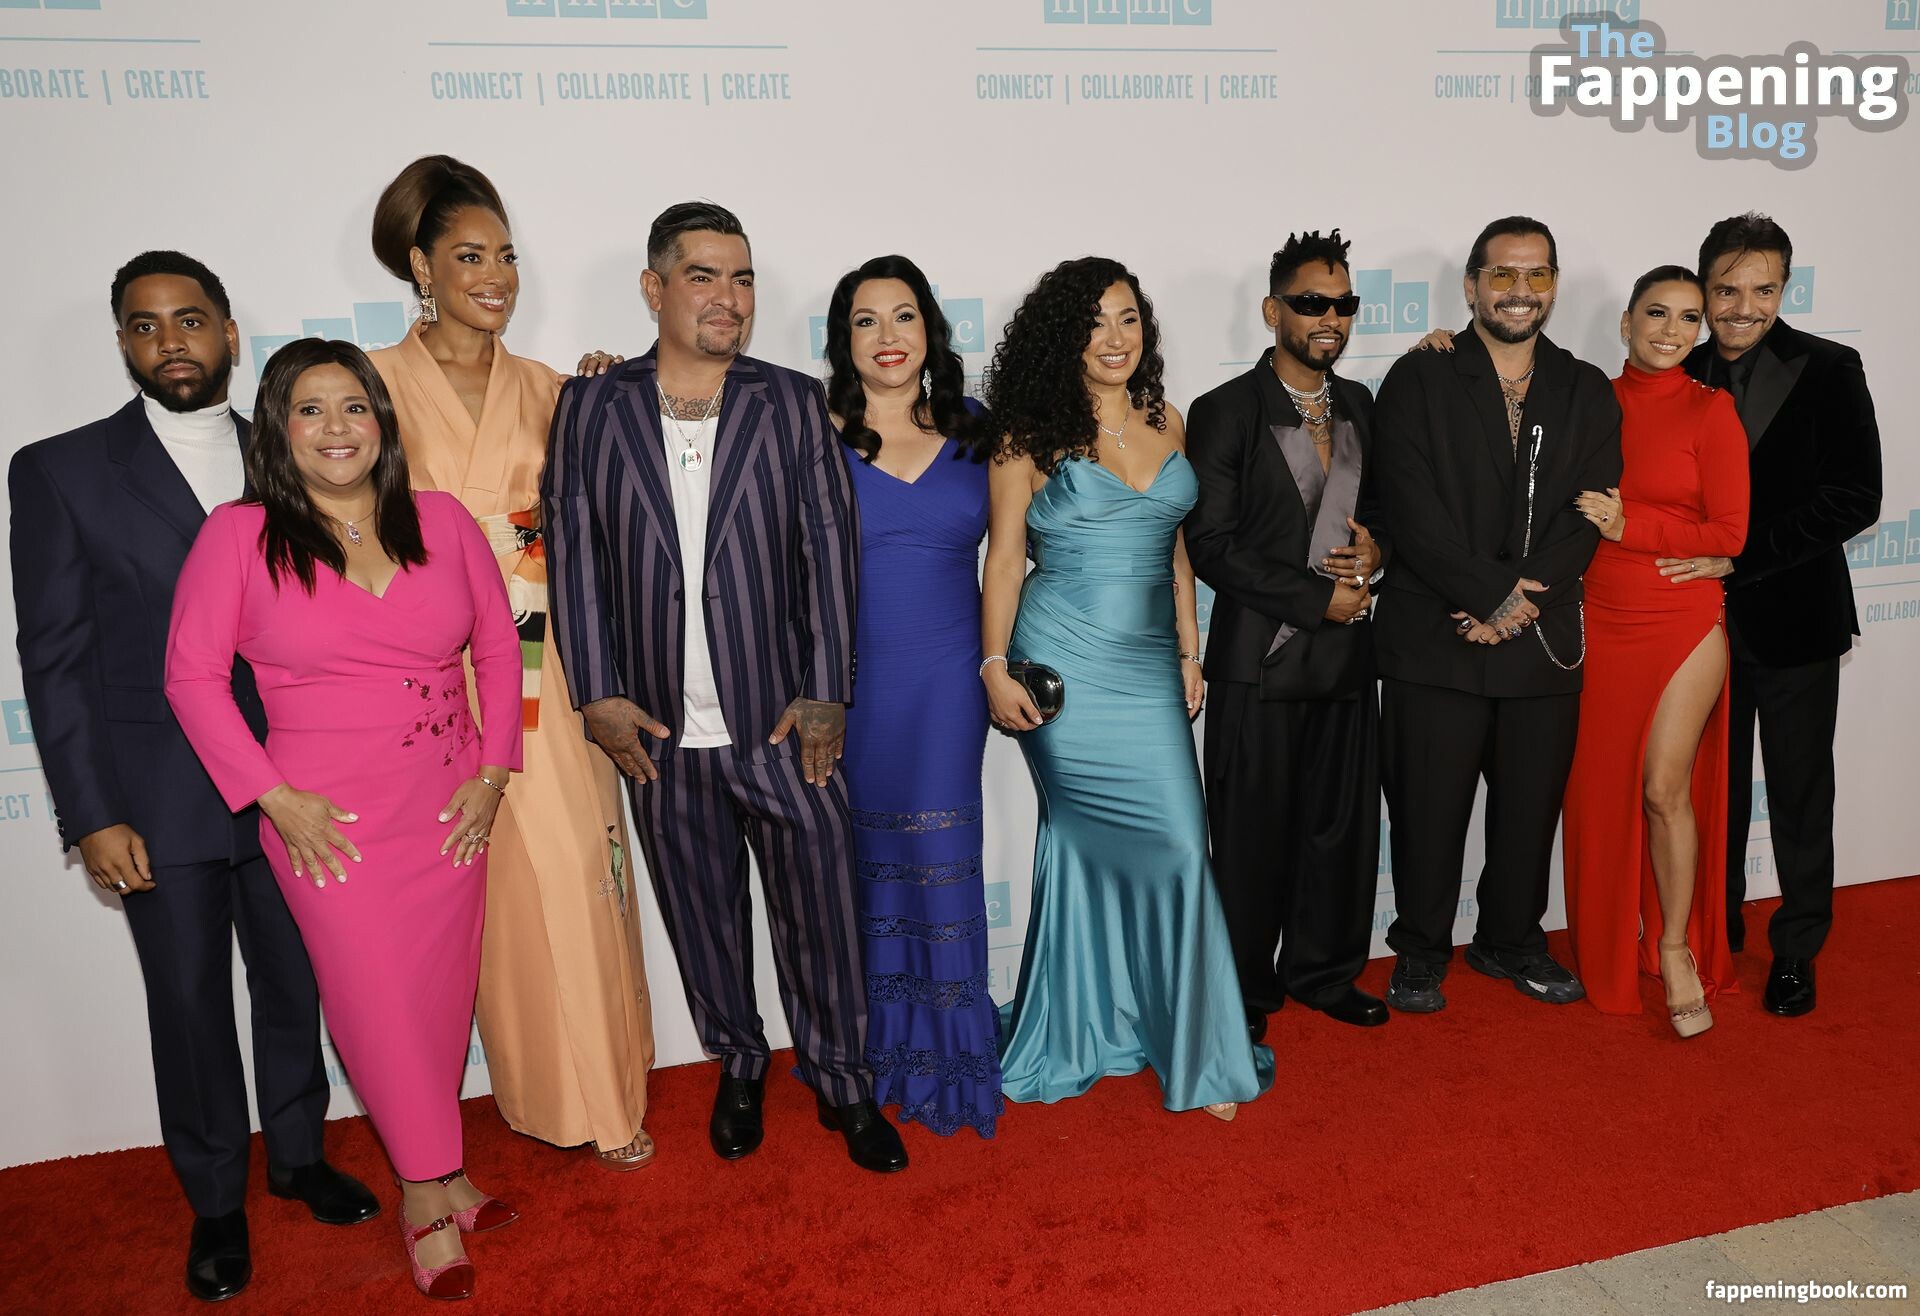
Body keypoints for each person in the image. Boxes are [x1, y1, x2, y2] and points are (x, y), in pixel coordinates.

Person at [8, 252, 377, 1305]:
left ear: (228, 332)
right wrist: (91, 813)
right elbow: (56, 657)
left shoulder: (296, 447)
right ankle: (216, 1200)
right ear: (123, 343)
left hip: (299, 783)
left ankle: (298, 1155)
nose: (170, 341)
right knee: (187, 1003)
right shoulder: (61, 470)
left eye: (189, 319)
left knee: (295, 982)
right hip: (158, 796)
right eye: (144, 325)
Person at [542, 201, 906, 1173]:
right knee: (702, 923)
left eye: (742, 278)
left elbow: (831, 549)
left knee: (823, 920)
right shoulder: (591, 407)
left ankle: (844, 1080)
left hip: (784, 725)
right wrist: (597, 691)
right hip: (659, 732)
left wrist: (827, 689)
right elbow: (574, 553)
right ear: (654, 288)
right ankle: (739, 1061)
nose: (728, 297)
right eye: (702, 275)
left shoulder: (791, 400)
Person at [165, 338, 523, 1300]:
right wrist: (273, 797)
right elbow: (191, 678)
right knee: (376, 1004)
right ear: (278, 430)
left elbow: (498, 648)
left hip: (448, 806)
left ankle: (446, 1169)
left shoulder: (441, 520)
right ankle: (423, 1194)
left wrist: (493, 774)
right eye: (311, 409)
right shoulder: (239, 536)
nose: (337, 428)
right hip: (327, 820)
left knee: (439, 999)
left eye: (354, 407)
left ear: (381, 423)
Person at [368, 154, 657, 1170]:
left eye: (505, 256)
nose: (495, 277)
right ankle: (536, 1090)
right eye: (468, 257)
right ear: (421, 266)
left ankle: (608, 1097)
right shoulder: (370, 389)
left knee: (579, 871)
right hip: (429, 674)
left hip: (549, 662)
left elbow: (612, 519)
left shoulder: (555, 389)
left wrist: (614, 401)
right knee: (482, 894)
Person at [980, 255, 1272, 1119]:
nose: (1115, 338)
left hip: (1149, 667)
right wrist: (992, 665)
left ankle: (1190, 1039)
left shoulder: (1166, 418)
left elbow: (1175, 548)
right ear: (1062, 338)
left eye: (1128, 319)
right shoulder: (1025, 436)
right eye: (1094, 322)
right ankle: (1087, 1023)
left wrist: (1190, 649)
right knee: (1083, 842)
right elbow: (1005, 561)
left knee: (1181, 844)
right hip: (1063, 666)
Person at [1371, 216, 1621, 1014]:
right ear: (1472, 285)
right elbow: (1408, 509)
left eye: (1536, 274)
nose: (1520, 290)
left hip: (1539, 641)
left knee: (1528, 814)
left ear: (1554, 285)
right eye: (1503, 274)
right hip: (1436, 637)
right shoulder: (1419, 377)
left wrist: (1518, 604)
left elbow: (1589, 514)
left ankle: (1510, 941)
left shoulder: (1585, 387)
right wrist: (1488, 596)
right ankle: (1420, 949)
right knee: (1427, 812)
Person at [1185, 229, 1391, 1041]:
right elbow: (1211, 545)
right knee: (1250, 839)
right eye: (1311, 303)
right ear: (1274, 311)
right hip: (1259, 664)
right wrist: (1315, 600)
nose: (1329, 318)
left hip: (1346, 660)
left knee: (1339, 832)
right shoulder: (1227, 410)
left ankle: (1325, 972)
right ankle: (1242, 987)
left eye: (1343, 304)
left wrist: (1378, 553)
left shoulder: (1363, 404)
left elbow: (1388, 515)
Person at [1680, 212, 1882, 1017]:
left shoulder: (1830, 367)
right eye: (1727, 290)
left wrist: (1741, 556)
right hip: (1698, 627)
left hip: (1797, 620)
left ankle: (1797, 947)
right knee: (1713, 792)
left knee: (1800, 793)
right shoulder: (1679, 367)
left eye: (1762, 290)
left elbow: (1855, 496)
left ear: (1785, 288)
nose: (1743, 308)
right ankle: (1718, 928)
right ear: (1704, 288)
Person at [825, 255, 1003, 1137]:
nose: (887, 337)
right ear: (843, 340)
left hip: (949, 685)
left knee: (938, 858)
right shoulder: (814, 433)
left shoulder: (977, 429)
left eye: (903, 316)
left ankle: (951, 1054)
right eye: (866, 320)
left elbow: (1027, 543)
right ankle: (879, 1050)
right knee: (865, 867)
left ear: (930, 329)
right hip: (855, 689)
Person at [1561, 266, 1749, 1031]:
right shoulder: (1591, 401)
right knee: (1602, 794)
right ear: (1627, 322)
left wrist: (1630, 526)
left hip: (1681, 616)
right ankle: (1610, 942)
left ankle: (1673, 946)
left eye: (1689, 318)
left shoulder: (1712, 411)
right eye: (1657, 313)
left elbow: (1730, 533)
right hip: (1600, 615)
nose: (1672, 331)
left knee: (1664, 788)